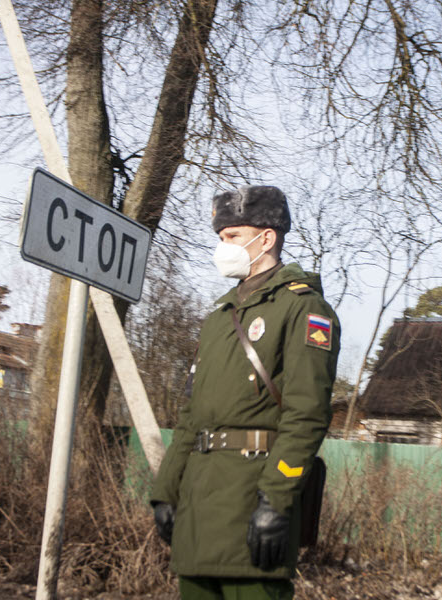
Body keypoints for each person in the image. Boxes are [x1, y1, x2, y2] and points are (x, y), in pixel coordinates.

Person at [150, 185, 341, 600]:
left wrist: (276, 499)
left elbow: (306, 416)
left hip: (253, 499)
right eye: (220, 239)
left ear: (266, 237)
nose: (223, 248)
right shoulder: (218, 320)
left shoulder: (303, 309)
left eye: (232, 237)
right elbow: (191, 417)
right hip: (199, 502)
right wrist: (165, 491)